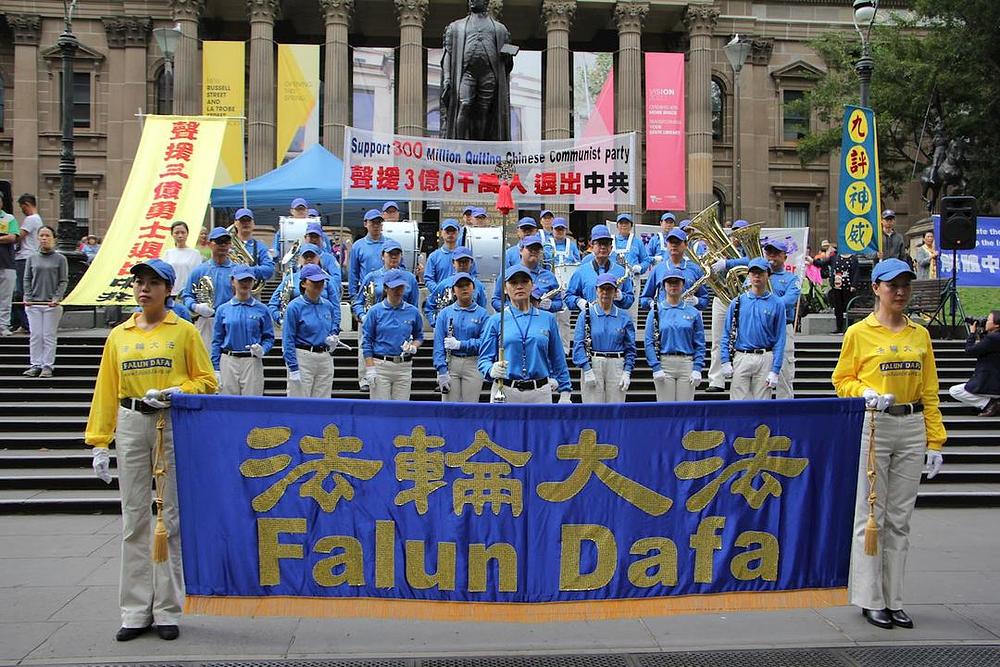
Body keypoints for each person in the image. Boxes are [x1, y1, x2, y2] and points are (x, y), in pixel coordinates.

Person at [85, 258, 217, 642]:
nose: (144, 289)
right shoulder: (119, 335)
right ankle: (135, 609)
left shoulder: (185, 332)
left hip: (167, 424)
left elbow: (208, 380)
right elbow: (106, 389)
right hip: (130, 422)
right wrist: (99, 441)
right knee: (134, 520)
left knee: (169, 519)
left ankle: (167, 609)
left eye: (153, 283)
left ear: (168, 290)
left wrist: (180, 391)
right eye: (139, 282)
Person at [832, 258, 946, 631]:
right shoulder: (859, 333)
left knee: (900, 520)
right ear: (877, 288)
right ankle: (870, 598)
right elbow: (842, 379)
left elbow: (930, 389)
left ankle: (895, 599)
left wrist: (935, 440)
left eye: (905, 285)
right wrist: (862, 391)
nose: (900, 292)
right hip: (875, 426)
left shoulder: (919, 334)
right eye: (892, 285)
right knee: (872, 516)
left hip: (911, 425)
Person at [478, 267, 572, 404]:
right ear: (505, 288)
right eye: (514, 283)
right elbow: (483, 359)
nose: (519, 286)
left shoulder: (547, 319)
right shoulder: (496, 320)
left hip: (540, 392)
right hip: (505, 390)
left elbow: (558, 358)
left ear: (532, 285)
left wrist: (565, 391)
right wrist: (490, 369)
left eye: (524, 281)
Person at [720, 257, 786, 401]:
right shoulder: (737, 302)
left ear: (767, 274)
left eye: (760, 273)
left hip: (765, 356)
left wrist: (775, 369)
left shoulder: (777, 303)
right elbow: (726, 332)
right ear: (749, 275)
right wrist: (725, 359)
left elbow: (780, 338)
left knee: (762, 405)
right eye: (753, 273)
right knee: (738, 403)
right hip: (742, 355)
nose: (757, 276)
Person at [211, 266, 275, 396]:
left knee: (252, 404)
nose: (245, 284)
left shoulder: (262, 309)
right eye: (241, 280)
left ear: (253, 282)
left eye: (248, 280)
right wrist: (216, 368)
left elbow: (269, 337)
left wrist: (262, 349)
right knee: (228, 405)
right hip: (229, 360)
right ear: (233, 281)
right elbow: (217, 340)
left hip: (251, 361)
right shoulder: (223, 309)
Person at [362, 268, 424, 401]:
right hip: (381, 364)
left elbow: (419, 335)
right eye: (394, 287)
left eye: (401, 287)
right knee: (380, 410)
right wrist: (370, 367)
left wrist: (414, 346)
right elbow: (366, 340)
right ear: (386, 288)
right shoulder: (375, 311)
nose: (398, 291)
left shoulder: (412, 311)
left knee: (401, 410)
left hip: (403, 366)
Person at [573, 273, 636, 403]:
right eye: (602, 289)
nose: (605, 293)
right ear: (596, 291)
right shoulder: (586, 314)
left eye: (609, 289)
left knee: (615, 410)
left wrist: (627, 371)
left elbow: (630, 347)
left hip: (617, 364)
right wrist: (586, 369)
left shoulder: (624, 317)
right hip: (593, 364)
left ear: (615, 292)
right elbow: (579, 344)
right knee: (593, 411)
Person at [645, 266, 706, 402]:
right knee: (665, 411)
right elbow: (649, 342)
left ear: (683, 285)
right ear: (663, 286)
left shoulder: (693, 312)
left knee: (685, 410)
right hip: (664, 363)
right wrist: (655, 367)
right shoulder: (656, 311)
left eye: (677, 282)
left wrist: (697, 367)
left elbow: (700, 343)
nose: (673, 285)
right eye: (669, 282)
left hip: (686, 363)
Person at [705, 219, 752, 392]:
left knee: (744, 338)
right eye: (735, 232)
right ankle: (716, 380)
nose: (737, 235)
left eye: (740, 231)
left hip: (743, 298)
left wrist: (728, 263)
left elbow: (755, 261)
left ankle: (739, 376)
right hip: (722, 296)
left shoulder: (752, 249)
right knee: (717, 339)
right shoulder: (721, 250)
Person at [282, 264, 341, 398]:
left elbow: (332, 326)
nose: (318, 285)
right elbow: (288, 338)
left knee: (323, 401)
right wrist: (293, 366)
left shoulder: (328, 306)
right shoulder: (294, 307)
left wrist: (333, 336)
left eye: (321, 281)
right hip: (303, 356)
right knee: (300, 402)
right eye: (314, 282)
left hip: (324, 357)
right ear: (303, 283)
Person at [434, 272, 489, 403]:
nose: (464, 288)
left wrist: (461, 344)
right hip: (451, 362)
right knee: (449, 408)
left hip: (473, 363)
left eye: (467, 285)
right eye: (459, 286)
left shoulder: (483, 314)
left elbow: (485, 342)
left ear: (473, 288)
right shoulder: (445, 313)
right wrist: (441, 370)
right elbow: (438, 344)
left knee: (471, 406)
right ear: (454, 291)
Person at [181, 226, 238, 352]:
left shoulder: (237, 271)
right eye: (218, 241)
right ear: (209, 244)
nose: (222, 245)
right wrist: (195, 307)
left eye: (226, 242)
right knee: (204, 357)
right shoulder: (199, 270)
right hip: (206, 320)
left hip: (231, 320)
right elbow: (186, 295)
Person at [22, 226, 68, 377]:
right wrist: (27, 297)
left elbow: (63, 280)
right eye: (41, 235)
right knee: (36, 335)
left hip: (51, 304)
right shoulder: (32, 258)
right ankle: (35, 364)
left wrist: (56, 298)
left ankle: (47, 365)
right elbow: (27, 278)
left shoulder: (60, 258)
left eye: (47, 235)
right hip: (34, 303)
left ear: (53, 238)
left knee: (48, 335)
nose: (44, 238)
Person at [763, 239, 802, 399]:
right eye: (769, 252)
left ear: (785, 257)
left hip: (783, 327)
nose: (772, 256)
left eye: (776, 253)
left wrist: (764, 304)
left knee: (785, 373)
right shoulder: (758, 275)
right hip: (761, 328)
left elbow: (789, 300)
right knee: (761, 374)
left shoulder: (792, 279)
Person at [565, 225, 635, 314]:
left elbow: (630, 300)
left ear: (611, 247)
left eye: (606, 243)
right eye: (599, 243)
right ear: (591, 246)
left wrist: (622, 297)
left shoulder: (621, 272)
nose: (603, 247)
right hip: (589, 319)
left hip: (615, 322)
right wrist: (578, 301)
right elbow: (568, 297)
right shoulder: (581, 271)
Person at [269, 244, 341, 326]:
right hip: (296, 325)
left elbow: (336, 308)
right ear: (300, 259)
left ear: (318, 258)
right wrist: (280, 319)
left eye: (312, 256)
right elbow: (273, 304)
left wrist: (334, 330)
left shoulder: (328, 280)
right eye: (306, 256)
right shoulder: (291, 278)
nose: (309, 259)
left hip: (322, 326)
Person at [491, 235, 562, 316]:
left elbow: (559, 303)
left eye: (537, 249)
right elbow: (496, 299)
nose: (534, 251)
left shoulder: (549, 276)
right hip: (512, 319)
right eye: (530, 248)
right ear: (521, 250)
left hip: (539, 320)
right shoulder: (507, 273)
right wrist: (508, 309)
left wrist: (550, 306)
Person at [640, 228, 708, 310]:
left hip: (688, 318)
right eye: (671, 242)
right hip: (663, 317)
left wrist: (697, 301)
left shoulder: (696, 269)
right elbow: (644, 298)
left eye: (678, 242)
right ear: (667, 244)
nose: (674, 245)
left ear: (686, 245)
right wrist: (651, 304)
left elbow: (705, 300)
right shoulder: (658, 269)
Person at [948, 310, 1000, 417]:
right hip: (996, 382)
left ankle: (989, 404)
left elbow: (970, 351)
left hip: (990, 383)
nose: (985, 322)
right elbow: (986, 348)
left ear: (997, 325)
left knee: (955, 391)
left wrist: (972, 333)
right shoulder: (994, 338)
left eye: (988, 320)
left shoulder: (992, 338)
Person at [424, 246, 488, 327]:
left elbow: (482, 310)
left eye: (465, 261)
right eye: (459, 261)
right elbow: (429, 306)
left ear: (471, 262)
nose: (462, 265)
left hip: (471, 330)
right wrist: (436, 323)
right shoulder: (444, 284)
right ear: (453, 263)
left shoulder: (479, 286)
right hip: (447, 331)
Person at [13, 193, 43, 334]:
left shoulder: (30, 219)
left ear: (26, 204)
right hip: (30, 257)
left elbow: (18, 236)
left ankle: (24, 323)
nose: (22, 211)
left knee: (20, 291)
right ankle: (23, 323)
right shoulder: (38, 220)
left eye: (22, 207)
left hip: (24, 257)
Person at [348, 208, 389, 299]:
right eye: (373, 222)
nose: (376, 225)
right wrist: (353, 297)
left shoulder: (390, 244)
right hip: (367, 290)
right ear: (365, 224)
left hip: (388, 290)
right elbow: (353, 273)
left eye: (378, 222)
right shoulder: (358, 246)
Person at [821, 246, 860, 334]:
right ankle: (839, 327)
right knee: (838, 308)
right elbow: (823, 263)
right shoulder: (835, 257)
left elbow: (856, 272)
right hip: (837, 286)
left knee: (849, 307)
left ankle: (850, 327)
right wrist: (813, 261)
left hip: (849, 287)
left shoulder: (853, 258)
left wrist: (854, 285)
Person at [231, 208, 276, 282]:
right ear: (235, 223)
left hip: (251, 290)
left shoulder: (261, 247)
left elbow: (269, 269)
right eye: (242, 220)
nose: (246, 223)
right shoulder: (229, 245)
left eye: (248, 220)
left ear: (253, 224)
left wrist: (248, 270)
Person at [425, 219, 468, 294]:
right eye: (447, 231)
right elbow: (429, 279)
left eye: (453, 231)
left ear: (458, 232)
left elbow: (473, 276)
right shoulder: (434, 256)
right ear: (441, 232)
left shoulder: (466, 255)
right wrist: (439, 291)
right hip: (441, 299)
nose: (450, 234)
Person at [163, 222, 203, 297]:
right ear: (172, 234)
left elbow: (199, 275)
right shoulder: (168, 253)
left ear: (187, 234)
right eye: (177, 233)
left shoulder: (195, 253)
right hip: (171, 293)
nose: (180, 235)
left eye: (183, 232)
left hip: (189, 293)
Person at [0, 205, 19, 337]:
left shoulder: (8, 218)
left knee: (5, 298)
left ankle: (3, 325)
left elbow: (13, 237)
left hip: (7, 264)